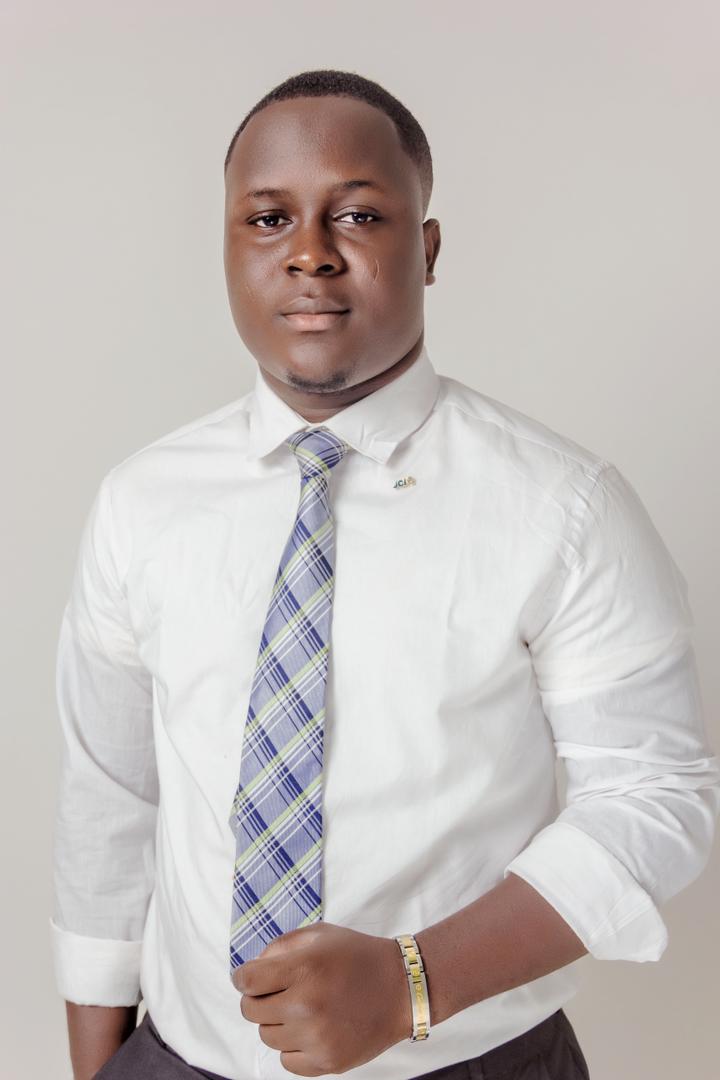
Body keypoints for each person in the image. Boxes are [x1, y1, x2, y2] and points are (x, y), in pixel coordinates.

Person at [50, 68, 720, 1080]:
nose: (310, 251)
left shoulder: (565, 508)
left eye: (359, 215)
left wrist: (416, 981)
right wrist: (103, 1064)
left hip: (472, 1060)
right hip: (179, 1056)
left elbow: (652, 794)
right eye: (267, 219)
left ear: (429, 249)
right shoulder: (141, 502)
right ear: (227, 249)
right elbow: (110, 798)